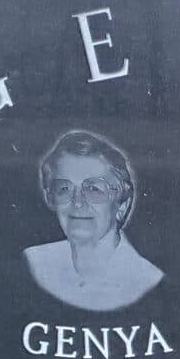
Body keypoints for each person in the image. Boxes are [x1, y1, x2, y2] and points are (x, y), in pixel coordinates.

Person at [24, 130, 163, 311]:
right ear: (51, 198)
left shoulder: (148, 280)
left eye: (94, 189)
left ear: (122, 204)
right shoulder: (33, 262)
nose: (78, 203)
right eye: (64, 188)